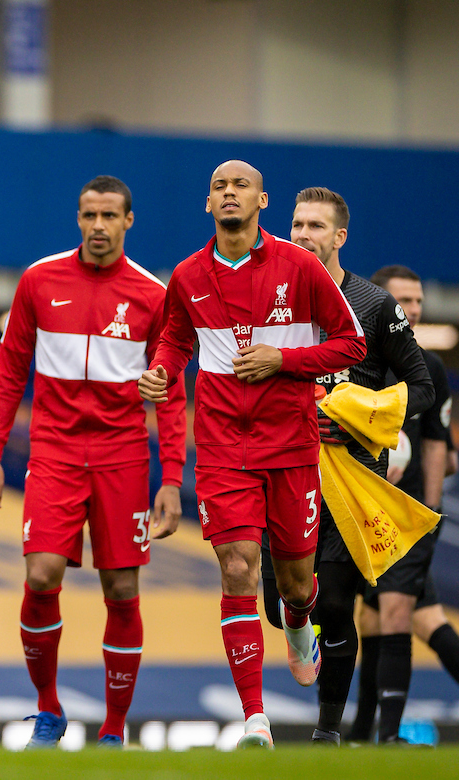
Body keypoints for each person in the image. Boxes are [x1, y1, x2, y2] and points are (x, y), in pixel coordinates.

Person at [138, 161, 366, 748]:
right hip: (221, 448)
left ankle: (297, 625)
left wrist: (282, 361)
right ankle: (255, 721)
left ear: (262, 200)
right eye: (219, 186)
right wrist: (163, 370)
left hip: (291, 445)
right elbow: (175, 337)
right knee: (237, 567)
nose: (229, 193)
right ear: (207, 204)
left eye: (241, 185)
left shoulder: (302, 268)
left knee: (294, 583)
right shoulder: (188, 275)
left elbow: (351, 342)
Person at [0, 176, 187, 748]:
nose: (98, 226)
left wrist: (171, 478)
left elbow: (170, 391)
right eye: (89, 215)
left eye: (109, 216)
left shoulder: (152, 295)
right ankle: (48, 709)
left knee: (121, 589)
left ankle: (115, 729)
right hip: (53, 453)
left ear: (128, 221)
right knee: (41, 574)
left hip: (121, 457)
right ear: (78, 219)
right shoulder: (40, 281)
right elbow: (10, 371)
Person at [278, 191, 434, 745]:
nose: (302, 234)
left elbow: (422, 385)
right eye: (296, 223)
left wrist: (364, 416)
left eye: (315, 226)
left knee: (338, 602)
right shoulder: (271, 298)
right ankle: (296, 625)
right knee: (284, 605)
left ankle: (327, 730)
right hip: (281, 469)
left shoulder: (372, 305)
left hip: (351, 473)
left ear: (340, 237)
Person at [347, 264, 455, 744]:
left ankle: (384, 737)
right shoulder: (355, 361)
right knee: (378, 620)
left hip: (403, 521)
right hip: (353, 514)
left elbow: (441, 450)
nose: (411, 310)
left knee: (393, 613)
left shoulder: (428, 370)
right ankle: (361, 733)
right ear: (379, 306)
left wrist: (427, 512)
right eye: (402, 302)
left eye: (417, 302)